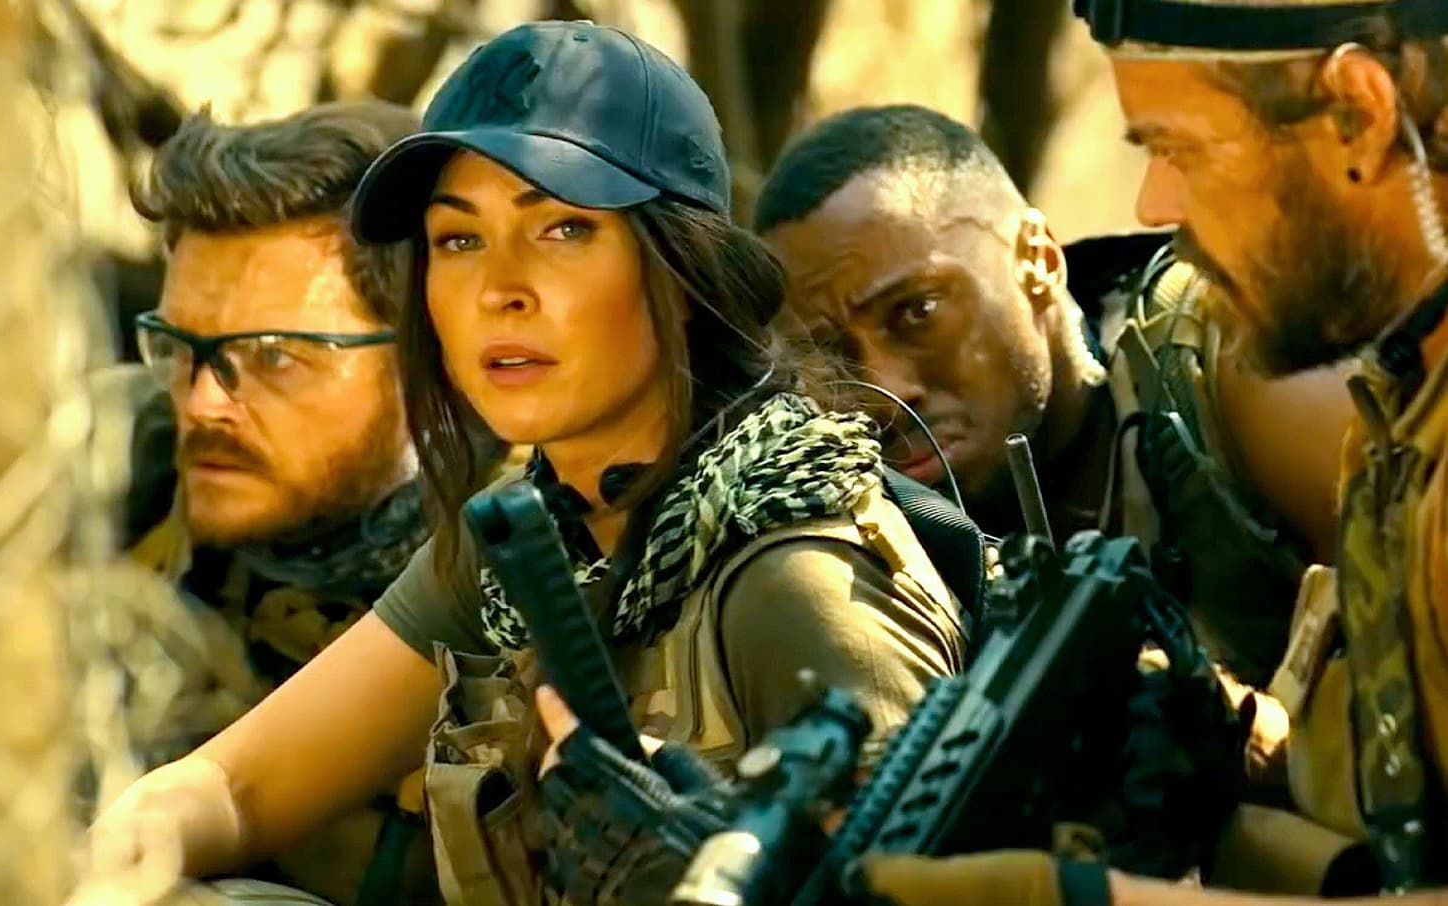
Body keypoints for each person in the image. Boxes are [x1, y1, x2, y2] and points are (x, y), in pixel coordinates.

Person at [76, 20, 966, 906]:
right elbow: (235, 787)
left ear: (682, 268)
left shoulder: (802, 579)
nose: (499, 290)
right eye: (458, 241)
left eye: (564, 230)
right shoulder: (531, 539)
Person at [856, 0, 1448, 901]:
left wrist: (1084, 898)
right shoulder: (1399, 411)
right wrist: (1239, 738)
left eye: (1182, 148)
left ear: (1357, 112)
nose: (1153, 206)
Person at [752, 104, 1355, 686]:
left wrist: (1243, 729)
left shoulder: (1232, 360)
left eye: (917, 312)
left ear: (1037, 260)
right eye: (827, 353)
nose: (884, 395)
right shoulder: (856, 526)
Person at [111, 100, 443, 906]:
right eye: (179, 347)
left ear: (426, 360)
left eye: (273, 357)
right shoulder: (118, 459)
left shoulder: (527, 564)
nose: (203, 405)